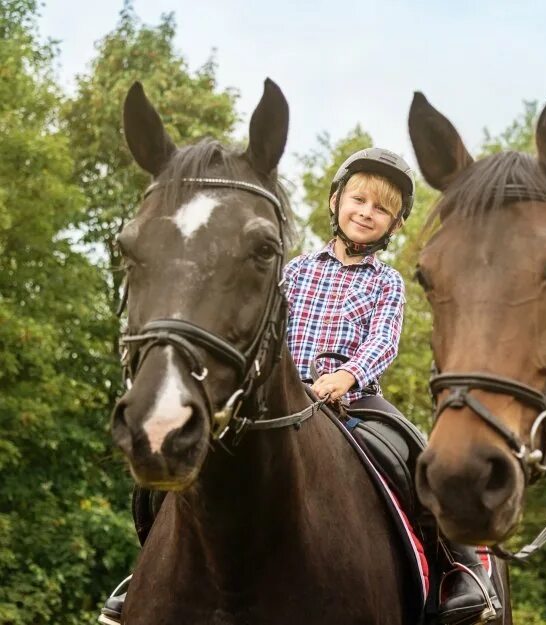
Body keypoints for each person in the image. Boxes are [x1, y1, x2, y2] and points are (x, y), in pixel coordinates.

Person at [99, 148, 500, 625]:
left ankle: (459, 569)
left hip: (354, 401)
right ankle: (145, 570)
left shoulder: (386, 283)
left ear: (394, 226)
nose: (366, 213)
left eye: (381, 209)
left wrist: (347, 375)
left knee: (414, 454)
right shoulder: (295, 270)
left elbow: (384, 342)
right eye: (359, 200)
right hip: (281, 392)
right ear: (335, 202)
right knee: (184, 470)